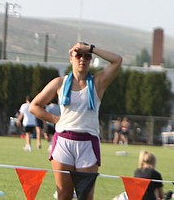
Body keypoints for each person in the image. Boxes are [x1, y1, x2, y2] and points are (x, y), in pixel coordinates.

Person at [30, 41, 124, 200]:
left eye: (87, 56)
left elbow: (117, 60)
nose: (83, 59)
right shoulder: (59, 83)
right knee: (64, 194)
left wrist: (91, 48)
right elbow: (34, 106)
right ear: (71, 58)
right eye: (78, 55)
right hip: (63, 142)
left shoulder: (97, 83)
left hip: (88, 143)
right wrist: (55, 119)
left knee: (85, 196)